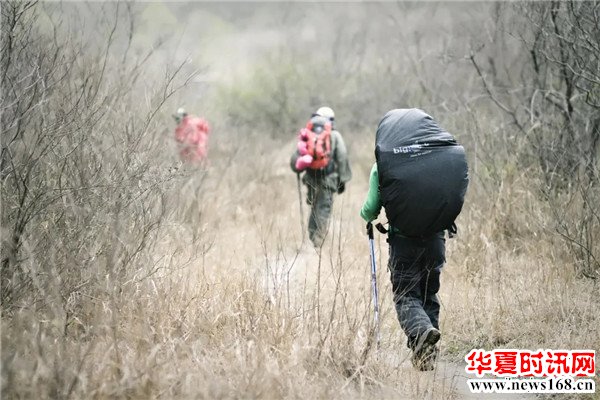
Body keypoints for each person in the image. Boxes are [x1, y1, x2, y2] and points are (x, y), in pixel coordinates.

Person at [360, 108, 468, 371]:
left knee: (406, 295)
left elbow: (371, 208)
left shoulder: (384, 164)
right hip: (435, 240)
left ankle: (421, 332)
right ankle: (425, 355)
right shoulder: (441, 157)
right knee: (429, 294)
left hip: (404, 241)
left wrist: (367, 216)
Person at [291, 106, 352, 248]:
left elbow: (297, 157)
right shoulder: (334, 135)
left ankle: (313, 236)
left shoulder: (308, 133)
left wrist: (298, 167)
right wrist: (343, 180)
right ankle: (319, 241)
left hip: (310, 178)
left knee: (314, 206)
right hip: (328, 179)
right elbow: (342, 156)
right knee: (323, 208)